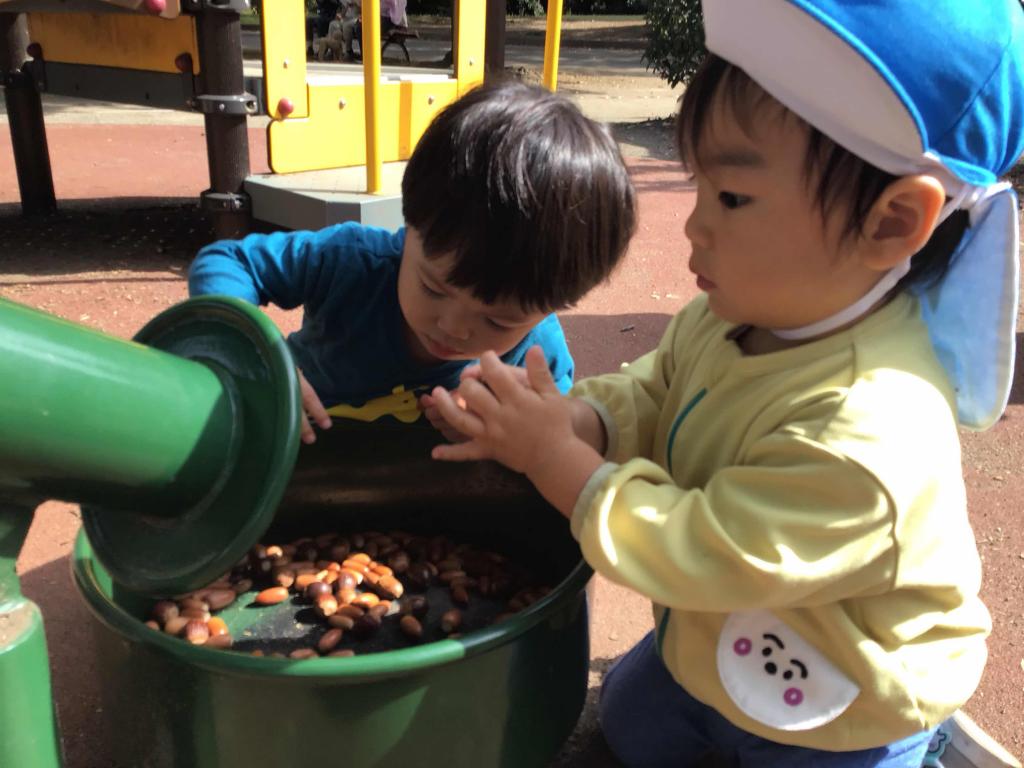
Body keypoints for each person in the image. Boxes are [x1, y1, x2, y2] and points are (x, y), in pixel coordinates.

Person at [427, 1, 1024, 766]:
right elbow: (656, 391)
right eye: (699, 186)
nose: (693, 226)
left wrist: (557, 463)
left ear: (891, 221)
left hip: (843, 702)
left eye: (732, 197)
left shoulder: (870, 427)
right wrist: (577, 422)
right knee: (631, 721)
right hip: (715, 635)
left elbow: (700, 549)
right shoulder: (731, 315)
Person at [188, 81, 636, 446]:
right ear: (410, 225)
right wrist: (253, 356)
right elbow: (229, 261)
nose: (455, 328)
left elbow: (553, 439)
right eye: (434, 288)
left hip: (422, 497)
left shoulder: (539, 356)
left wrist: (501, 433)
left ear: (554, 304)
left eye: (499, 321)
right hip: (292, 450)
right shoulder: (351, 261)